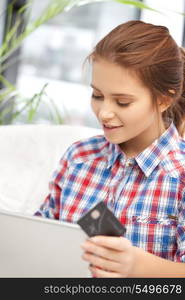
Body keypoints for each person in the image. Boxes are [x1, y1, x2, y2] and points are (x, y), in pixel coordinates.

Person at [35, 20, 185, 277]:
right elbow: (39, 235)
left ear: (164, 100)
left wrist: (136, 266)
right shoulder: (79, 158)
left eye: (123, 102)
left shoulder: (180, 176)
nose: (104, 112)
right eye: (97, 95)